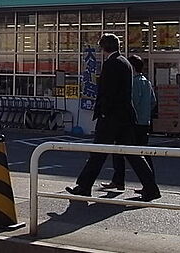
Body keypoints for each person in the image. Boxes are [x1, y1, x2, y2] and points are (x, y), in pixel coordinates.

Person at [66, 34, 161, 201]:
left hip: (111, 117)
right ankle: (151, 188)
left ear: (104, 48)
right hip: (125, 116)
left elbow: (108, 91)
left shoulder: (111, 63)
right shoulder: (125, 62)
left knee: (98, 152)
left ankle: (84, 186)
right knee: (133, 153)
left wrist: (103, 111)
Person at [101, 54, 157, 190]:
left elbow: (132, 102)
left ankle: (121, 181)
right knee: (143, 153)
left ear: (131, 67)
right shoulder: (146, 82)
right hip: (145, 122)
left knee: (121, 151)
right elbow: (153, 101)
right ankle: (149, 183)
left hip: (133, 123)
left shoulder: (134, 82)